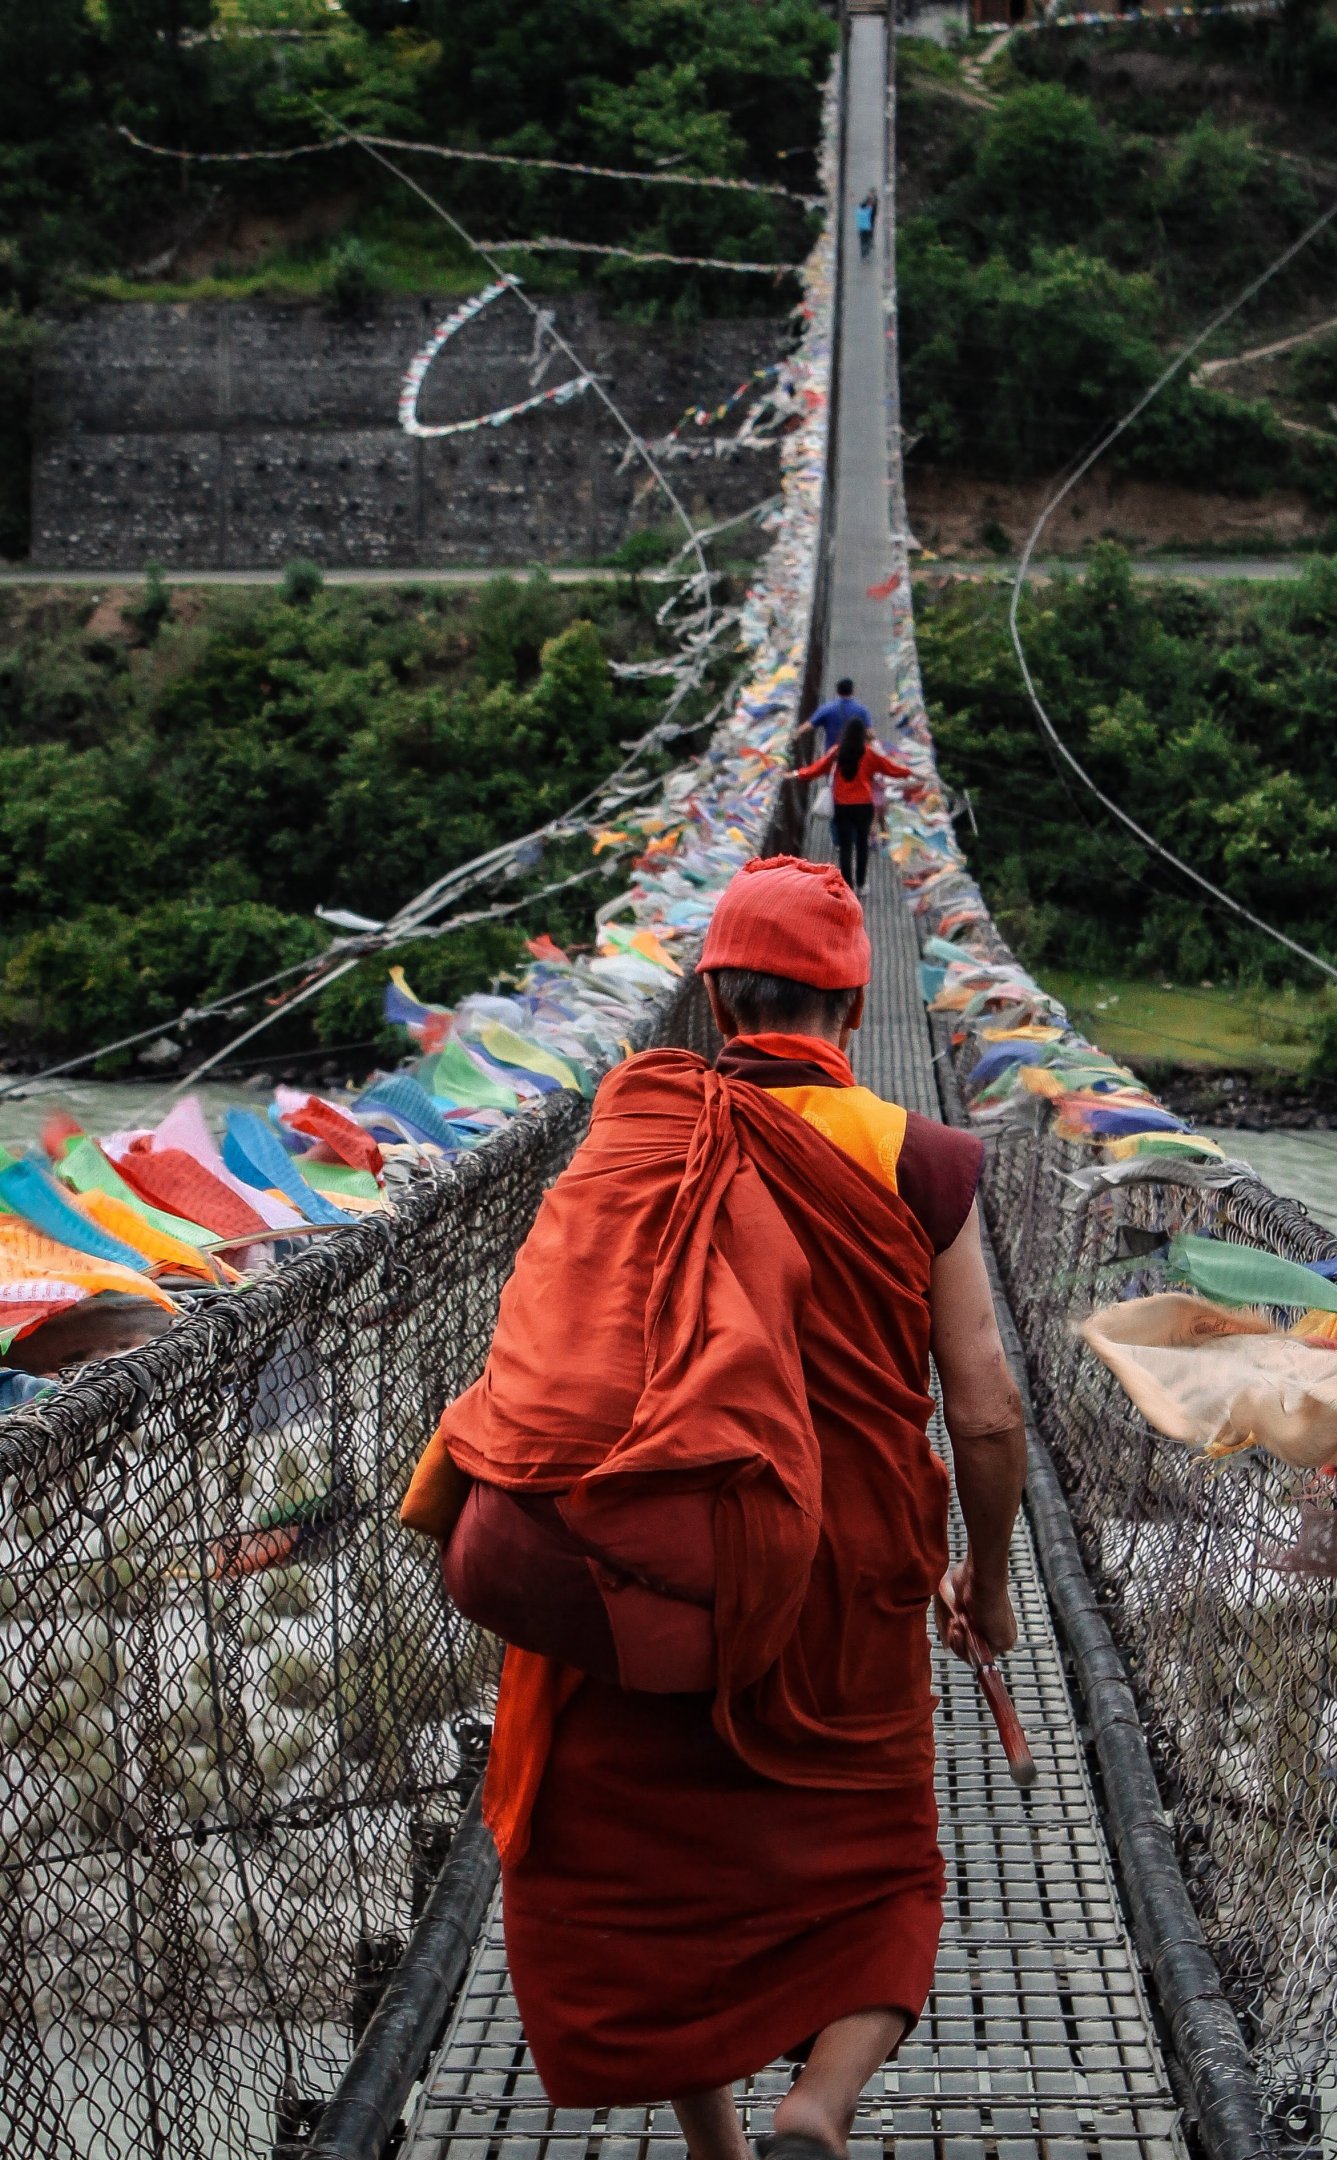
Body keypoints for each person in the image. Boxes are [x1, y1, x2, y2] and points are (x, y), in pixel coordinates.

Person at [410, 856, 1026, 2160]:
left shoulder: (639, 1132)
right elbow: (984, 1412)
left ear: (713, 997)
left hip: (655, 1557)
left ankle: (722, 2150)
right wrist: (993, 1577)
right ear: (853, 1011)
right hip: (847, 1584)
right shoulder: (922, 1160)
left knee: (659, 1869)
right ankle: (820, 2104)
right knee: (881, 1870)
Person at [794, 717, 911, 893]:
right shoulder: (869, 753)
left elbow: (816, 769)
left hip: (842, 806)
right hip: (864, 805)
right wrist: (910, 772)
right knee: (862, 844)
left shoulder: (837, 752)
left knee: (846, 847)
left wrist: (796, 774)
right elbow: (891, 769)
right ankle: (862, 883)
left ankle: (847, 886)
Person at [805, 677, 871, 759]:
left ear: (837, 691)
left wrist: (796, 733)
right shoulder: (862, 710)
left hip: (833, 755)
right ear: (852, 691)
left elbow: (809, 726)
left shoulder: (827, 709)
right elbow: (870, 733)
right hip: (854, 757)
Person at [856, 189, 878, 262]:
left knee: (863, 242)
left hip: (861, 228)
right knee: (866, 242)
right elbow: (874, 213)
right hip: (867, 227)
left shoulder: (860, 209)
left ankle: (863, 256)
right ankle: (866, 255)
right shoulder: (869, 209)